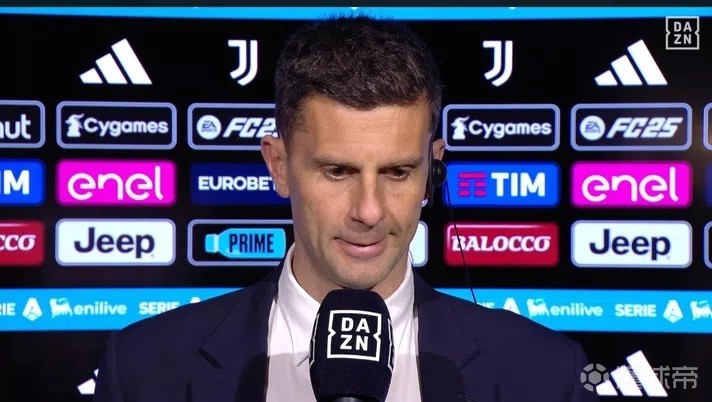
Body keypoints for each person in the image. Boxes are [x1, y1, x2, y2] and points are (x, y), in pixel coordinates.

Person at [93, 15, 599, 402]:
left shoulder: (546, 374)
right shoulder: (142, 368)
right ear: (278, 166)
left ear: (433, 170)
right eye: (338, 171)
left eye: (398, 172)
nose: (370, 211)